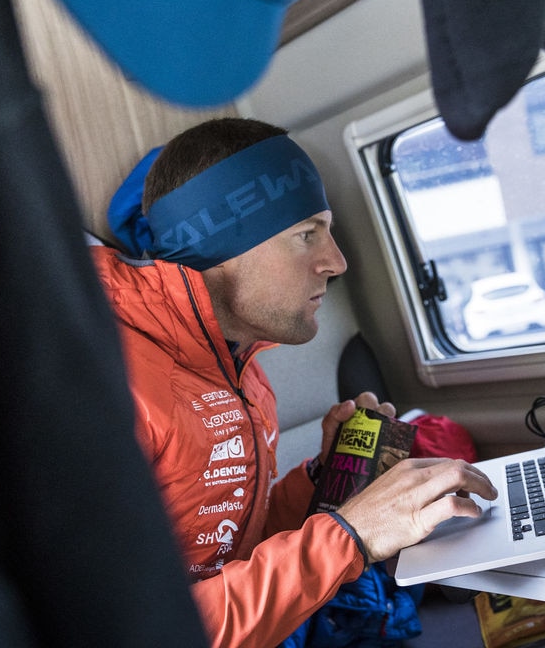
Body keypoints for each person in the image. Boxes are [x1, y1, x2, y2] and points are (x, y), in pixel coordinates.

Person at [92, 118, 498, 648]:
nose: (337, 261)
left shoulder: (240, 366)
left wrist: (325, 482)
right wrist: (351, 537)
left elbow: (232, 551)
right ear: (223, 244)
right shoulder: (104, 389)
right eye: (306, 234)